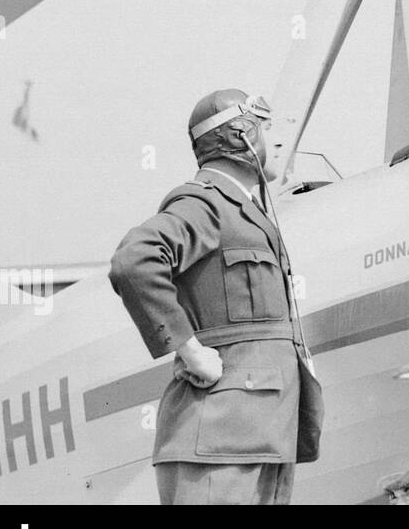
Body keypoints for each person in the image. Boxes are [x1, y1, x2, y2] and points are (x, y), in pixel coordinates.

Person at [109, 89, 313, 505]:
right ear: (238, 137)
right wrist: (191, 350)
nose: (276, 142)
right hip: (219, 441)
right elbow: (135, 260)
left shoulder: (247, 213)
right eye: (264, 129)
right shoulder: (207, 204)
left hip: (262, 436)